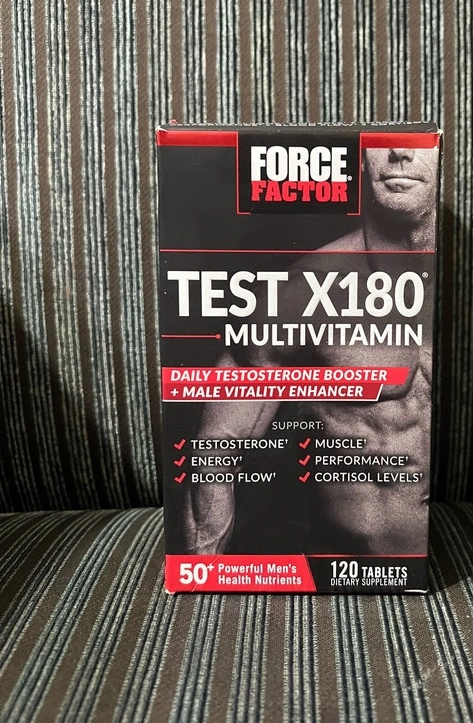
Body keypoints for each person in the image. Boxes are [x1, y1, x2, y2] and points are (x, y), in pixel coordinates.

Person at [179, 146, 439, 555]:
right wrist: (202, 571)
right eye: (382, 140)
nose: (400, 152)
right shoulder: (302, 290)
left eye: (419, 143)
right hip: (346, 568)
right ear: (362, 158)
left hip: (459, 561)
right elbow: (216, 450)